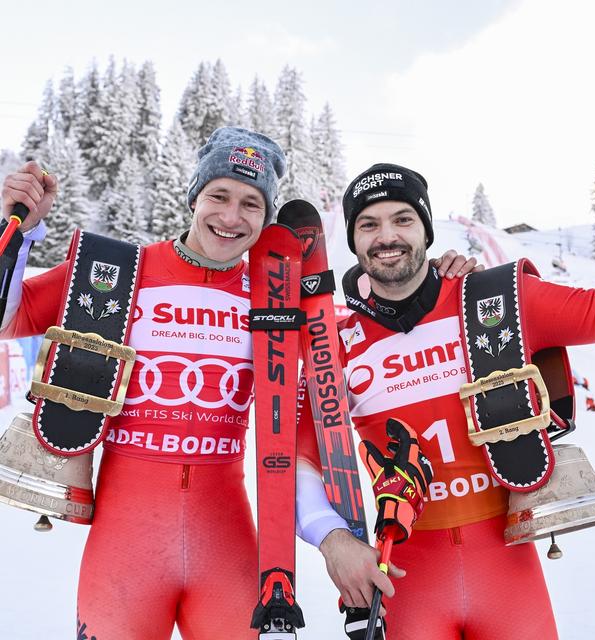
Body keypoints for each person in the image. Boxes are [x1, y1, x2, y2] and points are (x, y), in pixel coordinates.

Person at [0, 133, 478, 639]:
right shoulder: (121, 272)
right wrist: (16, 233)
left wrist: (446, 283)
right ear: (193, 197)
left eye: (251, 203)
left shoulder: (276, 295)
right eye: (218, 197)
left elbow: (363, 336)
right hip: (125, 546)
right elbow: (10, 318)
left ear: (266, 218)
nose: (232, 217)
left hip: (225, 542)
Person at [297, 163, 595, 639]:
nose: (386, 236)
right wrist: (332, 540)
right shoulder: (334, 342)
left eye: (403, 219)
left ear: (426, 230)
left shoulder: (494, 300)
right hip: (405, 576)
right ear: (354, 240)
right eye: (369, 224)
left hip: (504, 571)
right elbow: (298, 459)